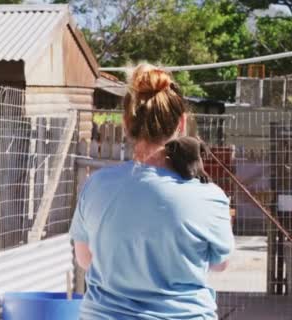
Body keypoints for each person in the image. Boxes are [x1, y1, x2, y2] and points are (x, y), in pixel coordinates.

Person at [70, 64, 234, 320]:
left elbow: (84, 258)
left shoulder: (95, 186)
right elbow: (220, 264)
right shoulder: (210, 196)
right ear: (181, 123)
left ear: (126, 122)